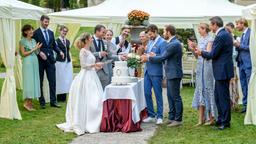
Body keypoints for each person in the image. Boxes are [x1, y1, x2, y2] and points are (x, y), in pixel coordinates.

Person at [57, 33, 104, 135]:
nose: (92, 39)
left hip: (92, 76)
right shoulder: (83, 51)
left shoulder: (89, 50)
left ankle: (93, 120)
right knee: (90, 98)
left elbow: (90, 66)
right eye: (91, 38)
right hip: (85, 77)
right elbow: (83, 65)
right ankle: (87, 121)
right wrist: (95, 64)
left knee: (96, 98)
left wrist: (96, 67)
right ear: (86, 40)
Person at [195, 16, 234, 130]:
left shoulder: (221, 35)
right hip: (221, 70)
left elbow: (213, 54)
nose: (210, 27)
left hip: (222, 71)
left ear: (215, 24)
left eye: (211, 25)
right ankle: (221, 119)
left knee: (223, 98)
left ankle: (225, 122)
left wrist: (201, 52)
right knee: (218, 96)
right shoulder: (224, 34)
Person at [146, 25, 183, 127]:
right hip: (170, 73)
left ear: (169, 32)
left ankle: (178, 119)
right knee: (170, 96)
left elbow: (163, 57)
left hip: (174, 73)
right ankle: (171, 117)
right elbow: (163, 56)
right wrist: (154, 56)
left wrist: (149, 57)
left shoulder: (174, 44)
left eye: (164, 32)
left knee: (175, 97)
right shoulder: (171, 43)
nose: (163, 34)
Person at [33, 15, 64, 109]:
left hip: (50, 60)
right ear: (41, 21)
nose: (47, 24)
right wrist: (39, 53)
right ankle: (41, 101)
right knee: (40, 81)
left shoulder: (51, 32)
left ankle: (53, 101)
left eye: (48, 22)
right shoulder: (35, 33)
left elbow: (54, 45)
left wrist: (60, 51)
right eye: (45, 22)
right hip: (40, 61)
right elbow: (33, 46)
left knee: (52, 81)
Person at [188, 23, 216, 126]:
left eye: (200, 29)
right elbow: (198, 56)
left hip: (208, 67)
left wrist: (198, 49)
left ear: (205, 29)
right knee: (200, 90)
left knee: (208, 90)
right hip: (200, 67)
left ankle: (211, 117)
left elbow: (208, 54)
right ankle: (201, 119)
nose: (199, 31)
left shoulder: (210, 40)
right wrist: (193, 49)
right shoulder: (200, 40)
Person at [140, 24, 167, 125]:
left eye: (151, 34)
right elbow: (148, 54)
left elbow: (164, 57)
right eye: (149, 34)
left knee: (158, 94)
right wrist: (144, 55)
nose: (149, 36)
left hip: (156, 72)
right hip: (147, 71)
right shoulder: (150, 41)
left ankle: (160, 116)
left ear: (155, 31)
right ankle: (151, 115)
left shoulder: (162, 42)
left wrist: (154, 56)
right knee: (147, 92)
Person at [90, 24, 126, 89]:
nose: (104, 34)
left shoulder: (105, 42)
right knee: (93, 90)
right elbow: (87, 54)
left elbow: (109, 55)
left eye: (105, 33)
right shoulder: (89, 41)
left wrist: (119, 57)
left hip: (104, 71)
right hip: (93, 69)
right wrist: (99, 54)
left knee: (104, 90)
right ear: (97, 31)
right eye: (103, 32)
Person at [19, 24, 42, 111]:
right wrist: (33, 49)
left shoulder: (34, 40)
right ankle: (26, 103)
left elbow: (36, 53)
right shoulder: (22, 41)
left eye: (32, 29)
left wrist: (37, 48)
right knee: (29, 81)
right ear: (25, 32)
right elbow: (23, 54)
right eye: (30, 30)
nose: (32, 31)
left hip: (34, 61)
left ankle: (30, 102)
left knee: (34, 81)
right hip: (27, 62)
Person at [234, 18, 252, 113]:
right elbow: (241, 48)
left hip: (248, 63)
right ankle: (245, 106)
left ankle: (251, 106)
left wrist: (239, 45)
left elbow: (251, 47)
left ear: (242, 23)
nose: (236, 26)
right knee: (243, 85)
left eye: (237, 24)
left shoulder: (251, 33)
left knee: (249, 85)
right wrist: (237, 46)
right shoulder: (242, 34)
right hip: (241, 63)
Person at [55, 25, 73, 102]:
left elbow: (68, 51)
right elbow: (56, 50)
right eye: (63, 31)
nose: (64, 33)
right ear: (60, 31)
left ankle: (64, 96)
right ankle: (59, 97)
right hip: (59, 62)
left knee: (66, 78)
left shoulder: (68, 41)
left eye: (66, 31)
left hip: (67, 61)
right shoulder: (56, 41)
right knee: (60, 78)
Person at [225, 22, 239, 108]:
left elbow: (235, 53)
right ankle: (229, 102)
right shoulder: (225, 38)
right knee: (227, 84)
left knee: (233, 84)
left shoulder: (235, 38)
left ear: (232, 28)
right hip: (226, 65)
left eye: (228, 29)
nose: (226, 30)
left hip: (233, 65)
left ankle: (234, 102)